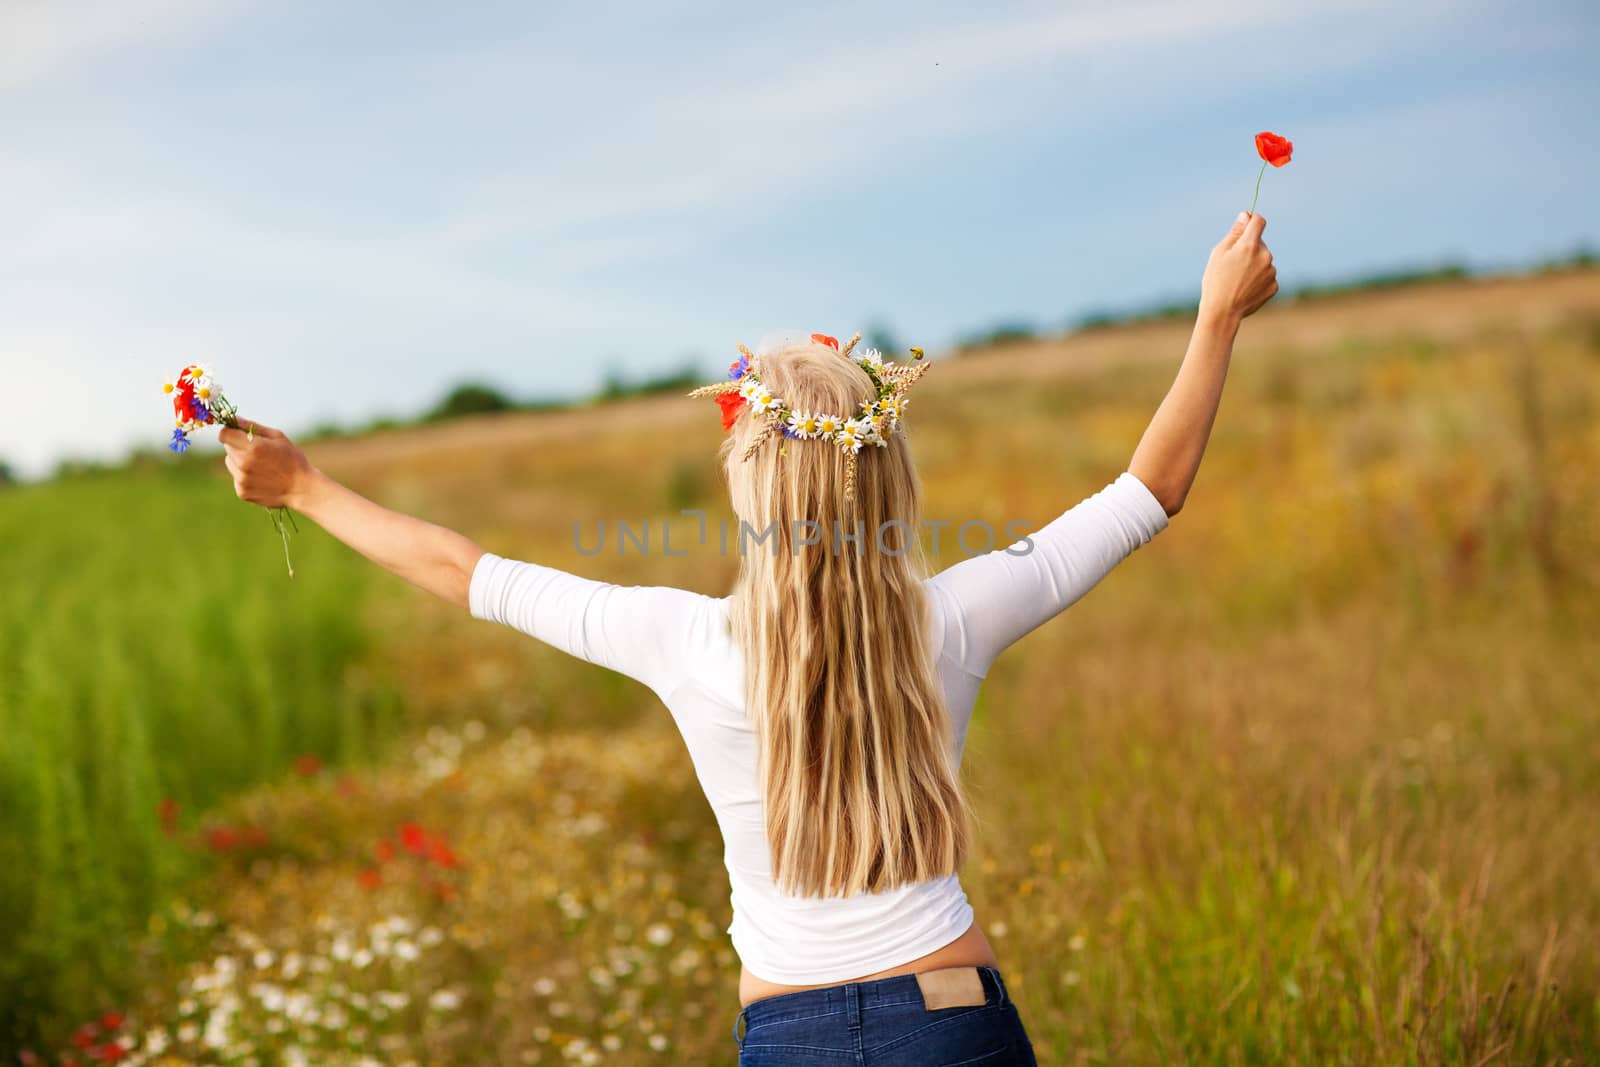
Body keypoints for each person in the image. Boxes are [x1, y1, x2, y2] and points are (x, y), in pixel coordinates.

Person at [219, 211, 1277, 1065]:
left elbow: (465, 572)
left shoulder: (679, 637)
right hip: (956, 1017)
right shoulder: (952, 617)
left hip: (789, 1036)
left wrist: (305, 488)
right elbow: (1150, 488)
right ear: (888, 477)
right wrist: (1216, 316)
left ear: (747, 482)